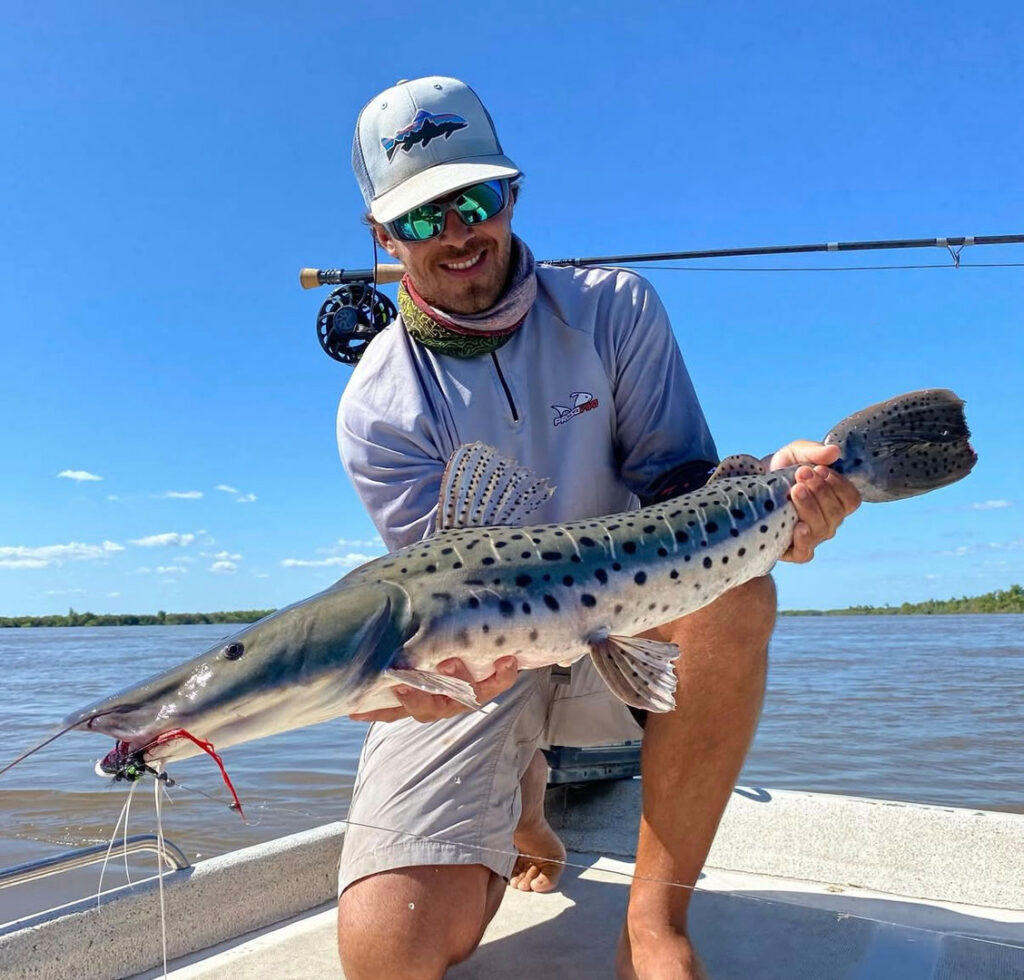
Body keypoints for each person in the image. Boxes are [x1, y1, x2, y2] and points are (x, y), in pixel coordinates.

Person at [335, 76, 860, 980]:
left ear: (511, 194)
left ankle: (654, 924)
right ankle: (523, 796)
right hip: (483, 663)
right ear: (383, 237)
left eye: (474, 199)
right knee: (389, 956)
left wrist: (771, 503)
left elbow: (681, 484)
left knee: (739, 591)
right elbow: (433, 592)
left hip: (628, 627)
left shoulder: (615, 309)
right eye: (421, 218)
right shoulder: (375, 408)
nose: (456, 233)